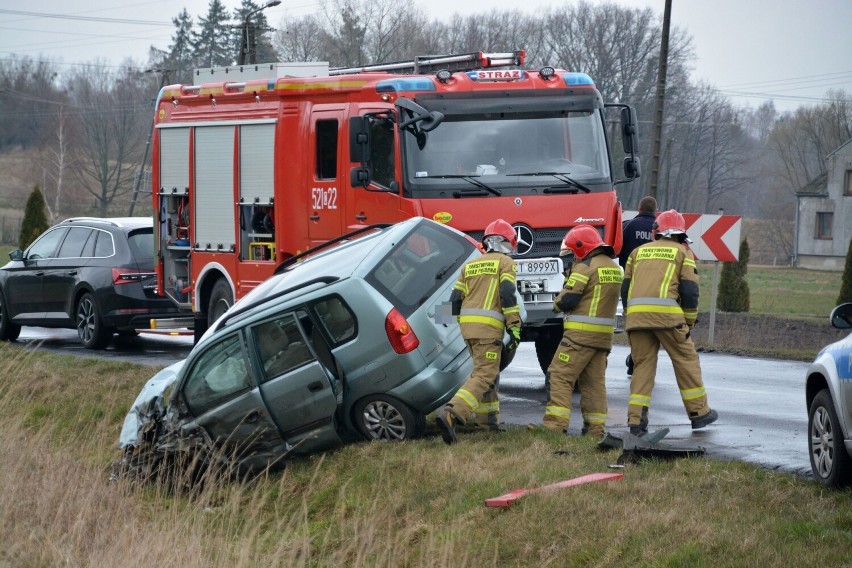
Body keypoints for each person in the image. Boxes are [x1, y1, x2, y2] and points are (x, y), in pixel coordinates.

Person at [621, 209, 718, 436]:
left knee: (642, 366)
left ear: (657, 231)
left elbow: (625, 289)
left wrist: (632, 314)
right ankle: (699, 413)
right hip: (669, 319)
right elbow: (690, 291)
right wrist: (689, 321)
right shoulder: (683, 253)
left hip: (637, 319)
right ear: (680, 234)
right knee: (686, 360)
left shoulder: (637, 253)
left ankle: (636, 421)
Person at [436, 219, 522, 444]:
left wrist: (442, 325)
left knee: (487, 374)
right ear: (507, 243)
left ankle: (487, 424)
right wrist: (514, 326)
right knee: (484, 375)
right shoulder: (505, 263)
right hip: (488, 330)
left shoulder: (470, 265)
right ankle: (452, 413)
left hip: (468, 330)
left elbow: (454, 300)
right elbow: (507, 294)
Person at [540, 224, 622, 437]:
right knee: (594, 383)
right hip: (603, 338)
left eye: (572, 252)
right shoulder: (613, 268)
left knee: (558, 375)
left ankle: (555, 425)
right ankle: (595, 430)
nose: (572, 257)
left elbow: (567, 300)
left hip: (579, 337)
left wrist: (556, 302)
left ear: (581, 247)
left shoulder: (585, 267)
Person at [619, 196, 657, 376]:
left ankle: (635, 357)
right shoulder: (660, 230)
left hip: (634, 284)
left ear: (639, 209)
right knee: (654, 326)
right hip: (658, 285)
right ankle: (644, 358)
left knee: (636, 325)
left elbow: (618, 250)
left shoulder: (628, 226)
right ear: (655, 211)